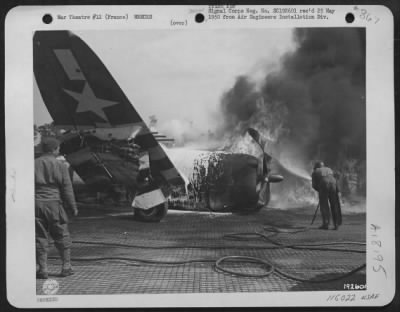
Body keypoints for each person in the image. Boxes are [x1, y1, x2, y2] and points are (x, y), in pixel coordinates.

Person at [35, 137, 78, 279]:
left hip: (36, 204)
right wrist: (73, 207)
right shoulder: (61, 166)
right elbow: (67, 188)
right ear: (54, 150)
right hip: (54, 205)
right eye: (58, 148)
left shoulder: (33, 164)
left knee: (39, 237)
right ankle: (66, 267)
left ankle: (43, 269)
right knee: (61, 235)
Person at [311, 161, 342, 230]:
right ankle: (336, 224)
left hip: (324, 183)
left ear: (316, 166)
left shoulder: (315, 171)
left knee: (324, 205)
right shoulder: (329, 169)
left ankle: (326, 224)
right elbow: (334, 179)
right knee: (334, 205)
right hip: (334, 183)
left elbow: (314, 185)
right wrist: (337, 190)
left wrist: (321, 192)